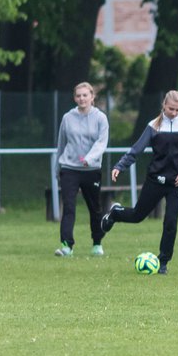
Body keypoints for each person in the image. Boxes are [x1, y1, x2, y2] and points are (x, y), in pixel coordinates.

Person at [100, 90, 178, 276]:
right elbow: (136, 150)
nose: (174, 113)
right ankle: (115, 213)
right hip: (156, 180)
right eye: (170, 109)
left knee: (170, 221)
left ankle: (163, 262)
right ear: (164, 106)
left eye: (177, 110)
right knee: (137, 216)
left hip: (177, 184)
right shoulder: (153, 126)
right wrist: (120, 166)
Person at [54, 82, 110, 257]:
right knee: (69, 207)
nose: (82, 98)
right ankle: (67, 246)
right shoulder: (67, 118)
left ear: (92, 97)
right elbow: (61, 143)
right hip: (69, 168)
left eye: (85, 95)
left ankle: (97, 243)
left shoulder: (101, 118)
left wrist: (89, 158)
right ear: (74, 98)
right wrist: (58, 168)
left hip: (91, 169)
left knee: (95, 208)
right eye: (78, 95)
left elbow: (101, 143)